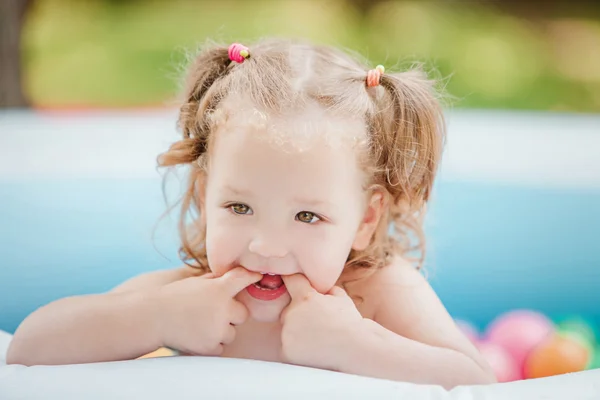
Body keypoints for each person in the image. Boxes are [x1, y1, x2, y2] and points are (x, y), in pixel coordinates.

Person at [7, 38, 495, 388]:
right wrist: (154, 319)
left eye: (307, 216)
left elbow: (476, 381)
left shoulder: (375, 291)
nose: (266, 246)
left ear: (365, 220)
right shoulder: (187, 297)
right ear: (203, 199)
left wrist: (356, 345)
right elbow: (29, 350)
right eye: (239, 207)